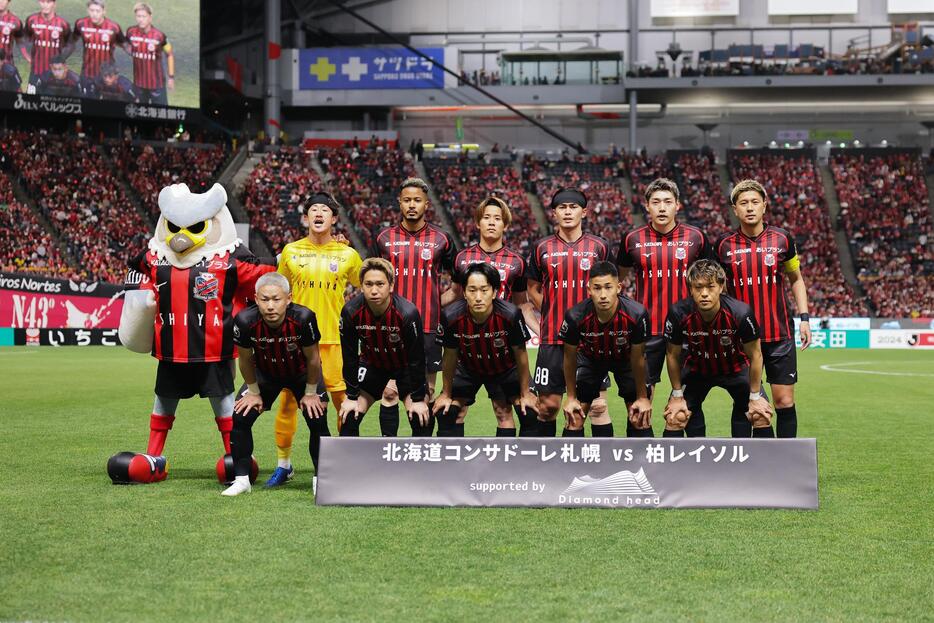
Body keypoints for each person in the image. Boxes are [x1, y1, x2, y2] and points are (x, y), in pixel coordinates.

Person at [267, 192, 361, 487]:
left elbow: (368, 284)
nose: (319, 214)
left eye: (325, 210)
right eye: (313, 210)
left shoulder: (348, 255)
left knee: (343, 404)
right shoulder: (290, 252)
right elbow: (277, 289)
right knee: (287, 404)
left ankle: (342, 465)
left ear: (334, 219)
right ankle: (284, 465)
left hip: (335, 341)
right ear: (306, 218)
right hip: (296, 342)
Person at [714, 179, 811, 438]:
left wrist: (804, 318)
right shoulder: (723, 245)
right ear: (735, 209)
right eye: (743, 203)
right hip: (740, 339)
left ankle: (786, 464)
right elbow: (715, 288)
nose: (749, 208)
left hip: (778, 334)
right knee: (748, 404)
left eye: (755, 202)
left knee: (784, 402)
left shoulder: (782, 239)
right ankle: (746, 466)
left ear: (764, 206)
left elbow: (796, 279)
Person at [617, 177, 710, 433]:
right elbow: (616, 281)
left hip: (690, 332)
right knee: (639, 405)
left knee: (689, 405)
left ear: (677, 205)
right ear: (647, 206)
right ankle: (639, 466)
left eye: (667, 202)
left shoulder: (697, 238)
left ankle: (689, 463)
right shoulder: (632, 240)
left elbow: (712, 280)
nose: (661, 207)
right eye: (656, 202)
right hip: (647, 333)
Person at [224, 273, 329, 497]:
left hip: (302, 374)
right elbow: (244, 359)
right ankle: (241, 480)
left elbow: (313, 359)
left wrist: (311, 392)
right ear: (256, 298)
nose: (270, 306)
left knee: (317, 418)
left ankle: (321, 479)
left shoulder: (304, 317)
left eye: (276, 299)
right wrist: (252, 391)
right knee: (240, 416)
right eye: (264, 299)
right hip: (265, 374)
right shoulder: (244, 320)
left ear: (288, 298)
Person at [372, 177, 457, 436]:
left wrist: (433, 304)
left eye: (417, 200)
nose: (412, 205)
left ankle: (421, 452)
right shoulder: (383, 238)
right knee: (389, 392)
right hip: (390, 328)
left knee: (426, 393)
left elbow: (457, 287)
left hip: (428, 328)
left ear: (426, 204)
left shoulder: (442, 239)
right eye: (407, 200)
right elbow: (374, 279)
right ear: (399, 202)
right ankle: (389, 450)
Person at [449, 195, 539, 435]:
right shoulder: (461, 258)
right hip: (467, 345)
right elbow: (454, 296)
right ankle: (451, 471)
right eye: (486, 217)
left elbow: (522, 305)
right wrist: (422, 313)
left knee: (504, 411)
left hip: (502, 348)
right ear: (477, 223)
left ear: (505, 225)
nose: (491, 222)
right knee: (454, 411)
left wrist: (543, 332)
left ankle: (506, 469)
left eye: (497, 218)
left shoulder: (517, 261)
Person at [526, 187, 610, 436]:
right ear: (554, 213)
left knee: (596, 406)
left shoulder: (600, 247)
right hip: (553, 339)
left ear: (584, 211)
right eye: (562, 207)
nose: (568, 211)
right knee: (548, 407)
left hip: (591, 340)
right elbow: (532, 288)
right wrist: (555, 314)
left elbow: (610, 287)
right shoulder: (541, 248)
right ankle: (547, 467)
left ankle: (599, 467)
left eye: (573, 207)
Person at [662, 260, 773, 438]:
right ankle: (693, 462)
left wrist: (754, 396)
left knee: (760, 415)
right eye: (698, 287)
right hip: (697, 370)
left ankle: (764, 465)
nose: (704, 293)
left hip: (736, 368)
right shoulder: (678, 313)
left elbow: (756, 355)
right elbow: (672, 355)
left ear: (721, 287)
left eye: (710, 286)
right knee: (676, 416)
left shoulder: (740, 313)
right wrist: (676, 395)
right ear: (690, 288)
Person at [432, 263, 538, 437]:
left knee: (529, 411)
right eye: (472, 290)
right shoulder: (450, 316)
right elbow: (449, 356)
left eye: (484, 290)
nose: (478, 297)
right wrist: (445, 393)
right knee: (446, 412)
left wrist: (526, 393)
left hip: (505, 368)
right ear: (464, 292)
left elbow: (521, 354)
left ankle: (517, 461)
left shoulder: (511, 315)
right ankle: (451, 462)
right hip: (468, 368)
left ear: (495, 292)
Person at [338, 258, 431, 436]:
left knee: (421, 418)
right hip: (372, 365)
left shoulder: (407, 313)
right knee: (349, 415)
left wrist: (418, 399)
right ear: (361, 286)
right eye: (369, 284)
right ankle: (351, 464)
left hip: (405, 369)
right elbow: (349, 356)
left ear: (391, 285)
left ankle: (420, 463)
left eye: (380, 284)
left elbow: (417, 358)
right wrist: (350, 397)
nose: (374, 290)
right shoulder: (350, 311)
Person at [559, 261, 652, 437]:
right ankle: (570, 464)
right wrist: (570, 398)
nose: (603, 295)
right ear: (589, 290)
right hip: (590, 360)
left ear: (618, 287)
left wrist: (642, 397)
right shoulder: (575, 316)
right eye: (597, 288)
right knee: (575, 419)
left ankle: (644, 464)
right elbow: (569, 358)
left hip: (625, 360)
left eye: (608, 287)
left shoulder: (637, 314)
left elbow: (638, 357)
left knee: (639, 417)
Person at [123, 2, 173, 105]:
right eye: (138, 16)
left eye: (144, 16)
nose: (141, 19)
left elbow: (170, 54)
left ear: (150, 17)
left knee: (161, 115)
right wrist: (129, 50)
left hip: (157, 85)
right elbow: (124, 42)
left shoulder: (160, 36)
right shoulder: (130, 32)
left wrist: (171, 77)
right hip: (139, 85)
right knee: (140, 114)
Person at [72, 0, 124, 94]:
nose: (94, 14)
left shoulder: (113, 27)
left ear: (104, 11)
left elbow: (124, 44)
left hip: (107, 76)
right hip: (87, 73)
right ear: (88, 10)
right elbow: (72, 40)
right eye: (92, 10)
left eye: (97, 11)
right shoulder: (81, 24)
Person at [24, 0, 72, 90]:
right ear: (39, 2)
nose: (45, 5)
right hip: (36, 72)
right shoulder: (31, 20)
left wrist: (60, 59)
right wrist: (28, 57)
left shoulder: (63, 24)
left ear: (54, 3)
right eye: (43, 1)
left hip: (55, 73)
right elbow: (24, 39)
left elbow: (71, 45)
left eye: (49, 2)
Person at [0, 0, 27, 89]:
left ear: (8, 1)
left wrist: (27, 57)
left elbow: (20, 41)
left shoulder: (15, 21)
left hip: (7, 64)